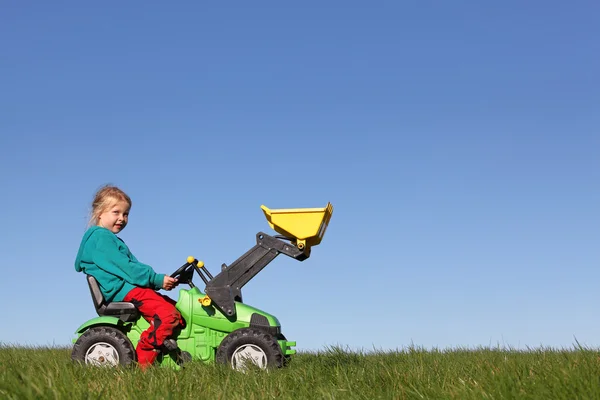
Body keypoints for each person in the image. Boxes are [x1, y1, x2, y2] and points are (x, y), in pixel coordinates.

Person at [74, 185, 184, 369]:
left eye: (125, 214)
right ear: (99, 212)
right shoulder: (101, 238)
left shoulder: (107, 239)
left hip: (129, 290)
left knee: (178, 311)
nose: (122, 218)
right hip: (123, 292)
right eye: (116, 212)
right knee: (168, 316)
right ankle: (144, 357)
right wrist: (156, 279)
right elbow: (127, 268)